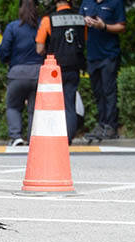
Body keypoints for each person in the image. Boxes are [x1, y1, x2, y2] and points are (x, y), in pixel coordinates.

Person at [36, 1, 85, 143]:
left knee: (52, 106)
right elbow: (84, 39)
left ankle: (53, 137)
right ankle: (67, 138)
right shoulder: (80, 18)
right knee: (69, 104)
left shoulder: (48, 19)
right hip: (74, 66)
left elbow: (39, 48)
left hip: (54, 69)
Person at [0, 0, 43, 146]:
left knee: (13, 106)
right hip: (39, 73)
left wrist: (5, 58)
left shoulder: (12, 27)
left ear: (20, 10)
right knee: (34, 109)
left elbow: (4, 51)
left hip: (17, 73)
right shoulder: (43, 25)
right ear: (37, 8)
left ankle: (16, 137)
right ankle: (32, 138)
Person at [78, 0, 126, 141]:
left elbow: (122, 27)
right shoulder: (87, 2)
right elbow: (79, 19)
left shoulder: (115, 2)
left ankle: (111, 127)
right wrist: (84, 20)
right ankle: (102, 125)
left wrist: (103, 26)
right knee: (98, 92)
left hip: (109, 54)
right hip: (93, 55)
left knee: (109, 91)